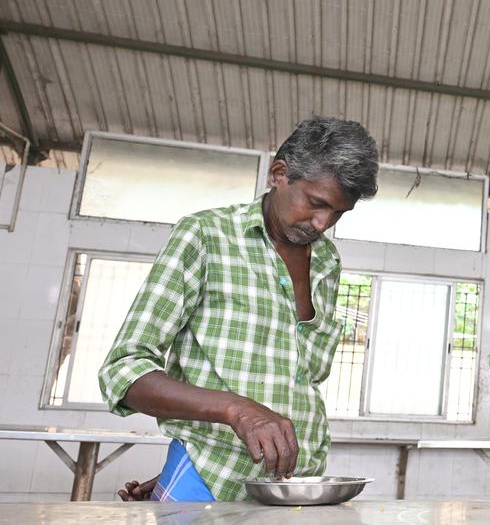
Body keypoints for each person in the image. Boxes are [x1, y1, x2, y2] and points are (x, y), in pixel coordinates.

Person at [99, 117, 379, 501]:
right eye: (316, 204)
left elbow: (296, 380)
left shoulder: (327, 261)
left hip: (294, 489)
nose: (322, 223)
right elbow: (123, 372)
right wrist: (237, 411)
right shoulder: (205, 236)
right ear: (279, 174)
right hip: (209, 479)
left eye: (339, 214)